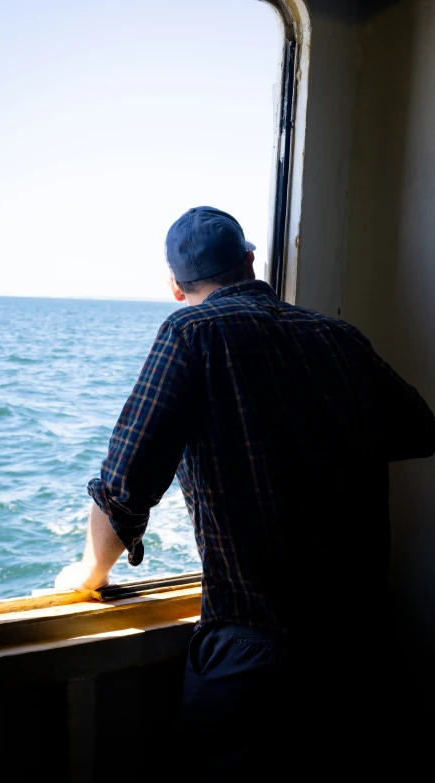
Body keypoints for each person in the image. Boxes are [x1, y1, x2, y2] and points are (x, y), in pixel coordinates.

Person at [55, 205, 435, 778]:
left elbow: (124, 489)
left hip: (257, 656)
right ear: (252, 262)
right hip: (361, 649)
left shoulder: (190, 333)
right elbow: (419, 430)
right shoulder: (339, 337)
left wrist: (87, 575)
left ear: (175, 288)